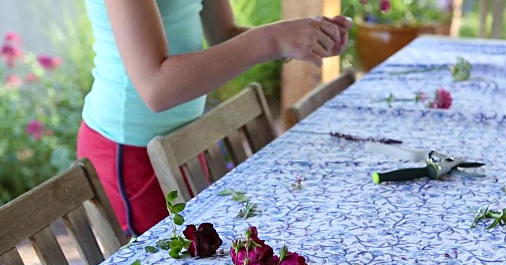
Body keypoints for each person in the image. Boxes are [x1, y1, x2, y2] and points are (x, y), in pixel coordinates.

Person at [78, 0, 352, 237]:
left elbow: (223, 35)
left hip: (182, 140)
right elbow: (156, 88)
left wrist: (296, 39)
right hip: (130, 151)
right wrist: (273, 39)